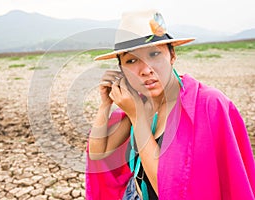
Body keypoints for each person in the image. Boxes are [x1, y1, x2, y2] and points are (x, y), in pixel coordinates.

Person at [86, 9, 255, 200]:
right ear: (122, 70)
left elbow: (169, 189)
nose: (145, 69)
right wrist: (105, 104)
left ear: (172, 55)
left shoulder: (207, 105)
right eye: (131, 60)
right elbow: (98, 153)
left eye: (154, 54)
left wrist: (137, 117)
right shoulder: (140, 103)